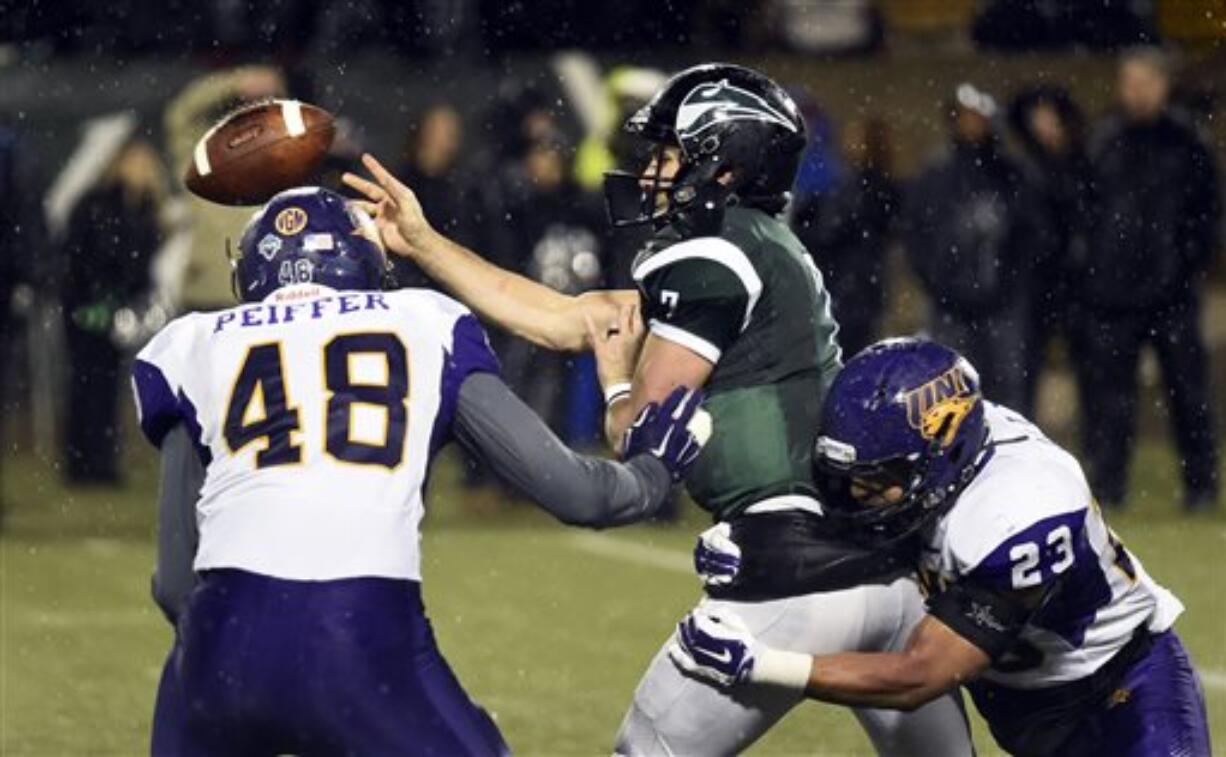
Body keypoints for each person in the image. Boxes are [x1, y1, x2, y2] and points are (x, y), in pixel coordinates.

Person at [345, 63, 973, 755]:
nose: (649, 174)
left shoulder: (707, 254)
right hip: (882, 574)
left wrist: (615, 385)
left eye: (670, 155)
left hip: (788, 572)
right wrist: (424, 241)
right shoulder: (759, 247)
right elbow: (574, 318)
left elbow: (645, 439)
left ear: (726, 165)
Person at [134, 187, 707, 753]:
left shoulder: (195, 342)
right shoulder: (422, 321)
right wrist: (653, 470)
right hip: (354, 630)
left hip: (214, 651)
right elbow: (581, 496)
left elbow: (175, 584)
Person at [670, 338, 1210, 757]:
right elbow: (874, 536)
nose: (858, 498)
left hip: (1118, 691)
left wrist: (761, 664)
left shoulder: (1022, 508)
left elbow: (918, 675)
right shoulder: (932, 460)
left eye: (876, 481)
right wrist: (764, 550)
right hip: (1019, 700)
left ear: (943, 459)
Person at [1081, 47, 1220, 511]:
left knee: (1188, 395)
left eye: (1145, 83)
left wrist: (1184, 264)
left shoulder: (1187, 141)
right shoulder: (1103, 139)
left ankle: (1200, 488)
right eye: (1130, 83)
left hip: (1173, 293)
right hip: (1113, 295)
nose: (1136, 93)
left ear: (1164, 85)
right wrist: (1094, 267)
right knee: (1110, 399)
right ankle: (1109, 488)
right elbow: (1082, 210)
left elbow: (1208, 212)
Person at [902, 83, 1045, 415]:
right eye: (962, 116)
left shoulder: (1013, 174)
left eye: (976, 116)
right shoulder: (936, 174)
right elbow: (916, 236)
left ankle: (1010, 462)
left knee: (1008, 394)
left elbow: (1034, 236)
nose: (969, 124)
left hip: (1005, 306)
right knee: (949, 395)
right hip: (949, 306)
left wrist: (1009, 283)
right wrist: (941, 284)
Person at [61, 137, 166, 483]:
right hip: (89, 306)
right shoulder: (98, 204)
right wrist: (98, 296)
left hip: (117, 306)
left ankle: (101, 461)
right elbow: (83, 256)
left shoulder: (144, 208)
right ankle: (83, 462)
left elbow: (140, 263)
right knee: (87, 383)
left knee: (106, 385)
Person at [1008, 85, 1095, 413]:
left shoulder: (1084, 165)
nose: (1045, 126)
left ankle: (1094, 452)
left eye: (1051, 118)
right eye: (1037, 118)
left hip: (1079, 286)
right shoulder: (1020, 170)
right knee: (1023, 375)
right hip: (1032, 287)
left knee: (1091, 374)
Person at [794, 116, 899, 355]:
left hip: (851, 293)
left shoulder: (863, 191)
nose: (851, 145)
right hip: (852, 292)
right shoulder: (844, 186)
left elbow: (827, 234)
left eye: (858, 139)